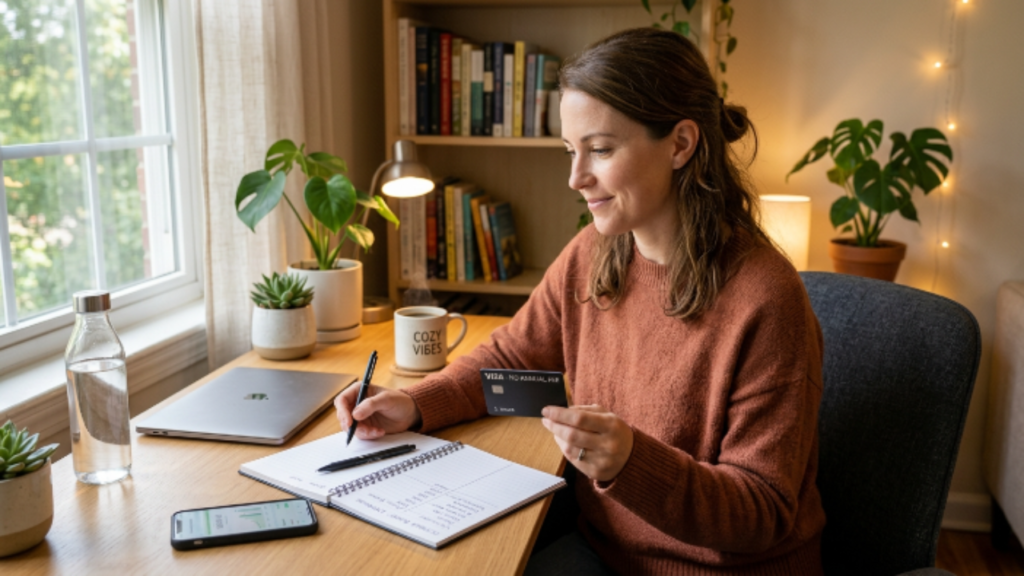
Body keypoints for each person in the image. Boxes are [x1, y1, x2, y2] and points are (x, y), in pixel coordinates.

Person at [335, 27, 825, 575]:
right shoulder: (595, 253)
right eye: (571, 150)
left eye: (601, 149)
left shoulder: (766, 298)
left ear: (681, 144)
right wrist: (418, 404)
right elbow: (513, 360)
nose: (576, 177)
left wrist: (632, 462)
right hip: (604, 549)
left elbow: (762, 512)